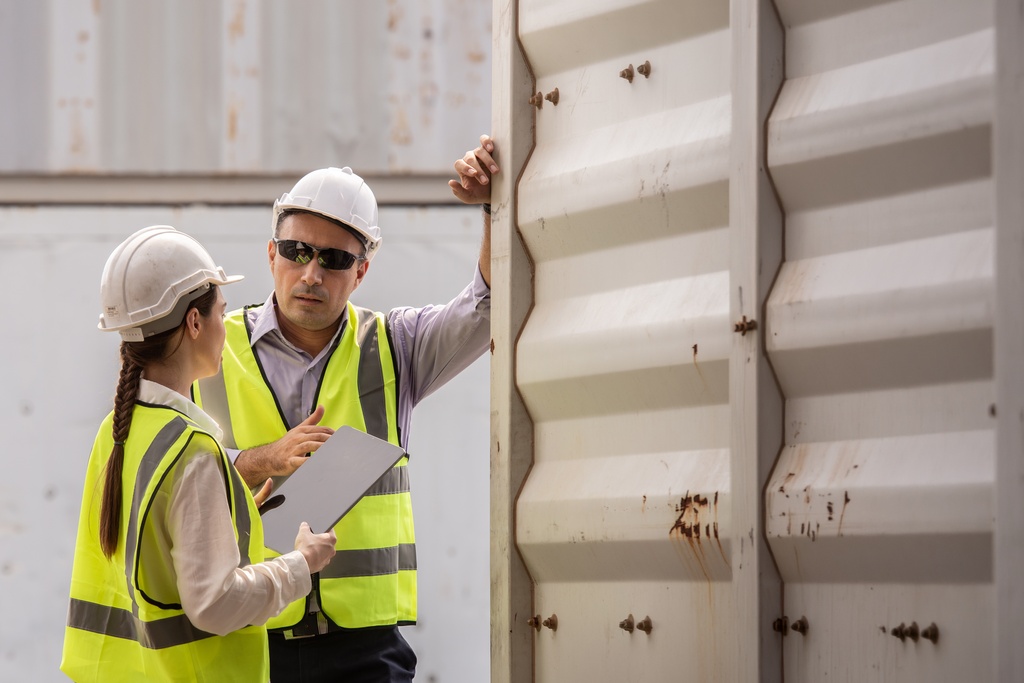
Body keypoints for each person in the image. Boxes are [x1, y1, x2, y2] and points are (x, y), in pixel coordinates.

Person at [192, 135, 499, 682]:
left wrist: (495, 209)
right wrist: (264, 458)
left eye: (334, 259)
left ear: (360, 272)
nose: (310, 273)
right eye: (296, 252)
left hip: (364, 651)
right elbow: (177, 473)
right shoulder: (212, 346)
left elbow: (487, 304)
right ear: (271, 254)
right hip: (248, 638)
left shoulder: (396, 347)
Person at [60, 226, 338, 682]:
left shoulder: (116, 430)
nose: (224, 331)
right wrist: (302, 563)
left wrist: (224, 517)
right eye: (220, 314)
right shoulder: (192, 449)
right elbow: (215, 603)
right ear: (194, 322)